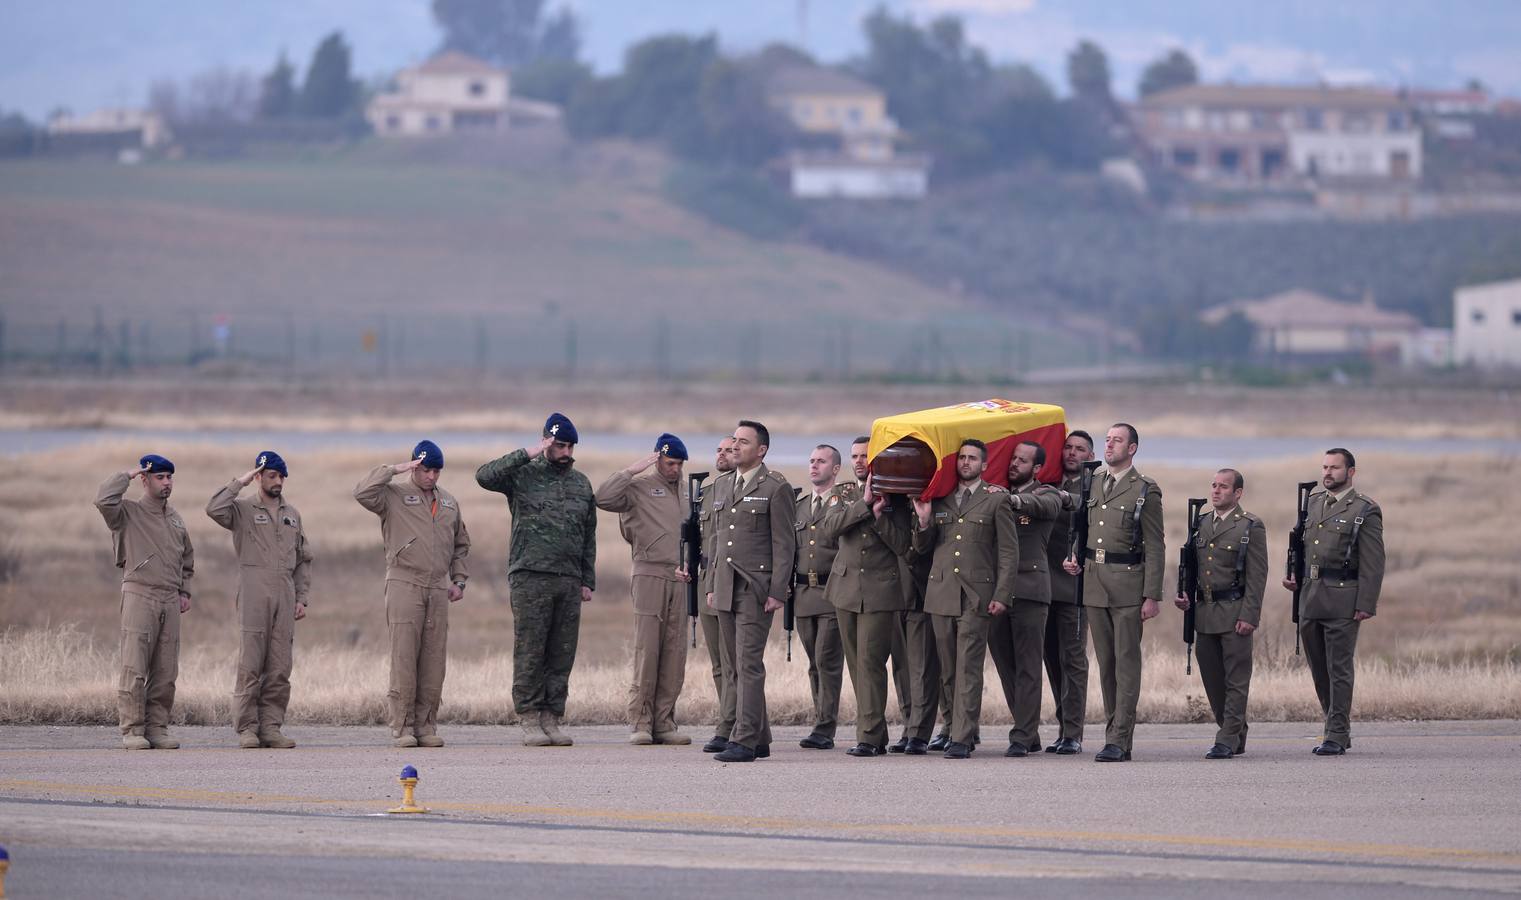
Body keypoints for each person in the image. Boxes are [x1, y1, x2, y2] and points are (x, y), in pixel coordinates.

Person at [476, 413, 598, 747]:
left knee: (562, 652)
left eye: (570, 445)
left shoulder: (581, 484)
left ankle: (551, 717)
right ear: (546, 442)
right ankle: (529, 716)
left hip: (569, 579)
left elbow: (588, 534)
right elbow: (484, 476)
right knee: (531, 649)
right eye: (559, 444)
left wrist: (587, 579)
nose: (566, 451)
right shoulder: (523, 475)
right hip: (531, 575)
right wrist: (527, 453)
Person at [355, 440, 471, 748]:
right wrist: (393, 470)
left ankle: (426, 725)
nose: (432, 476)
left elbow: (461, 544)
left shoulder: (448, 502)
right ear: (414, 467)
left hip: (437, 585)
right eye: (426, 470)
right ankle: (402, 725)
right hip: (404, 582)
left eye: (436, 471)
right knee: (404, 656)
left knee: (434, 659)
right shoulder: (392, 496)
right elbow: (362, 492)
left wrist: (458, 579)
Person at [1063, 423, 1164, 763]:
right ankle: (1113, 734)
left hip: (1127, 584)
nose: (1109, 445)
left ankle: (1120, 738)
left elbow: (1155, 546)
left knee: (1125, 663)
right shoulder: (1094, 482)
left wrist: (1152, 595)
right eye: (1107, 440)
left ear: (1132, 448)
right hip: (1094, 581)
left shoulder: (1144, 489)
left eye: (1117, 440)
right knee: (1105, 664)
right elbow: (1086, 527)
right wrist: (1076, 554)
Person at [911, 439, 1018, 760]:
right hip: (942, 594)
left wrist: (1002, 594)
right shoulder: (940, 500)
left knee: (968, 666)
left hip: (977, 596)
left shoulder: (995, 501)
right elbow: (922, 548)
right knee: (947, 669)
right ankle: (958, 729)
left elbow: (1008, 553)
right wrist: (925, 520)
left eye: (972, 458)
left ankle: (961, 736)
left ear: (984, 465)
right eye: (962, 458)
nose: (966, 463)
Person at [206, 450, 313, 749]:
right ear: (259, 477)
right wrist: (239, 482)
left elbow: (304, 559)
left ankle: (271, 727)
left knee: (280, 665)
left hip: (285, 592)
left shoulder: (292, 514)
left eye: (281, 477)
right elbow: (214, 508)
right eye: (271, 476)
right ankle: (247, 728)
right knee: (251, 663)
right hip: (254, 590)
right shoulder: (242, 510)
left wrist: (302, 597)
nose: (278, 481)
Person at [1282, 448, 1384, 757]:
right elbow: (1305, 549)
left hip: (1342, 597)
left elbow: (1373, 562)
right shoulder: (1312, 503)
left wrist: (1365, 602)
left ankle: (1336, 734)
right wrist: (1294, 577)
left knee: (1338, 667)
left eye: (1335, 468)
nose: (1327, 473)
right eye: (1325, 467)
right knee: (1318, 669)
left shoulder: (1365, 510)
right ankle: (1335, 725)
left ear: (1350, 472)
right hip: (1310, 596)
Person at [707, 420, 796, 763]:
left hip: (755, 587)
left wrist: (778, 591)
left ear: (761, 450)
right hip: (726, 585)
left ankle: (743, 739)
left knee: (748, 663)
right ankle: (760, 738)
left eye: (744, 442)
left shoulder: (775, 487)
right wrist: (713, 585)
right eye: (735, 441)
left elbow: (784, 544)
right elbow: (717, 542)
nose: (736, 447)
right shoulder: (724, 484)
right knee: (733, 664)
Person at [595, 434, 691, 746]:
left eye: (679, 464)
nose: (675, 469)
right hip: (649, 572)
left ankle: (664, 722)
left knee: (674, 653)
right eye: (669, 462)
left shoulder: (689, 494)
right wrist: (632, 470)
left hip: (680, 577)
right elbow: (603, 497)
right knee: (647, 649)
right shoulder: (638, 488)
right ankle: (640, 721)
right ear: (657, 458)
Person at [95, 454, 194, 751]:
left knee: (166, 668)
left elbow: (187, 559)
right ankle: (133, 729)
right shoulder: (128, 512)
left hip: (169, 597)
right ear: (145, 479)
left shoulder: (175, 518)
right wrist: (128, 473)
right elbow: (103, 499)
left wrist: (184, 591)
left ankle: (157, 728)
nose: (166, 483)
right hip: (140, 593)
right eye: (160, 477)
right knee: (135, 665)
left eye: (169, 478)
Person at [822, 440, 914, 757]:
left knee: (871, 663)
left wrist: (878, 517)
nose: (859, 461)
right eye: (855, 456)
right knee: (855, 665)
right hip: (845, 589)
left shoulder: (897, 497)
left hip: (880, 591)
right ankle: (874, 732)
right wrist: (862, 505)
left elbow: (902, 543)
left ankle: (870, 737)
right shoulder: (845, 493)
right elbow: (829, 529)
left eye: (866, 456)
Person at [1175, 468, 1268, 759]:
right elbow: (1193, 570)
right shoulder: (1201, 523)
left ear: (1237, 493)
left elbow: (1257, 575)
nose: (1216, 491)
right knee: (1213, 681)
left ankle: (1226, 738)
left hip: (1234, 612)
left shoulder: (1250, 525)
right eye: (1214, 486)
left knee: (1236, 680)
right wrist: (1185, 596)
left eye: (1224, 487)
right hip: (1204, 613)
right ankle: (1235, 731)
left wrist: (1250, 615)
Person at [987, 441, 1066, 757]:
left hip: (1030, 589)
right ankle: (1027, 730)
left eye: (1022, 460)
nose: (1014, 464)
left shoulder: (1047, 494)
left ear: (1036, 468)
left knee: (1029, 666)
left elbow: (1044, 508)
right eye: (1013, 458)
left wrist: (1012, 499)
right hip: (997, 591)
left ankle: (1021, 735)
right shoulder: (996, 494)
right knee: (1005, 665)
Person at [793, 444, 852, 750]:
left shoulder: (842, 503)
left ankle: (825, 727)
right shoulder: (800, 506)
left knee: (827, 661)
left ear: (835, 469)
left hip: (831, 594)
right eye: (811, 460)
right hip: (803, 594)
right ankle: (820, 718)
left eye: (821, 461)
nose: (814, 466)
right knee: (813, 664)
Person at [1044, 429, 1094, 755]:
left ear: (1090, 457)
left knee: (1073, 660)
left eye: (1080, 450)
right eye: (1068, 448)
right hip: (1044, 585)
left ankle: (1074, 732)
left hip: (1074, 586)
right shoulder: (1050, 482)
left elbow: (1087, 512)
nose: (1072, 453)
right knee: (1052, 660)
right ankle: (1063, 728)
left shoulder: (1092, 488)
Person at [698, 436, 738, 753]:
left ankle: (730, 725)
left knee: (734, 660)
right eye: (719, 450)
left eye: (729, 450)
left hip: (731, 582)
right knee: (717, 664)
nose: (722, 454)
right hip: (706, 579)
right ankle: (729, 719)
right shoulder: (707, 492)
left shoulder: (743, 490)